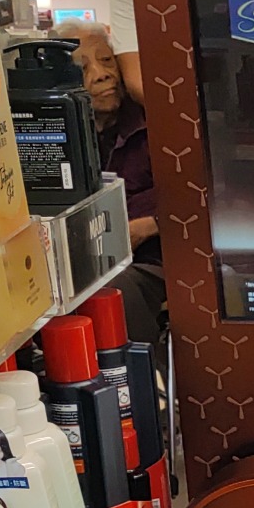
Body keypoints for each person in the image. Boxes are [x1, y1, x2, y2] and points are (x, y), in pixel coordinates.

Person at [72, 23, 165, 342]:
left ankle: (144, 370)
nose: (101, 75)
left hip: (154, 262)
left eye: (107, 61)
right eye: (84, 68)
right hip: (85, 264)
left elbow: (199, 194)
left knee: (113, 290)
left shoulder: (156, 123)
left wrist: (149, 225)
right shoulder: (63, 139)